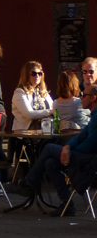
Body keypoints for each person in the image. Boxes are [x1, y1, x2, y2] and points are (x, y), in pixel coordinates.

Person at [16, 83, 97, 215]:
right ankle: (67, 205)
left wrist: (70, 151)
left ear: (93, 98)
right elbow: (81, 136)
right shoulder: (94, 116)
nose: (81, 98)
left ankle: (29, 182)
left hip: (89, 160)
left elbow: (91, 144)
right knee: (50, 163)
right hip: (83, 156)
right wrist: (67, 147)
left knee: (49, 148)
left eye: (84, 95)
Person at [11, 60, 54, 131]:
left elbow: (54, 107)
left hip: (45, 131)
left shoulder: (43, 91)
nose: (37, 76)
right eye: (34, 73)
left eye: (40, 73)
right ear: (26, 75)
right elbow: (29, 114)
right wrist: (49, 112)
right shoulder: (20, 92)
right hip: (25, 133)